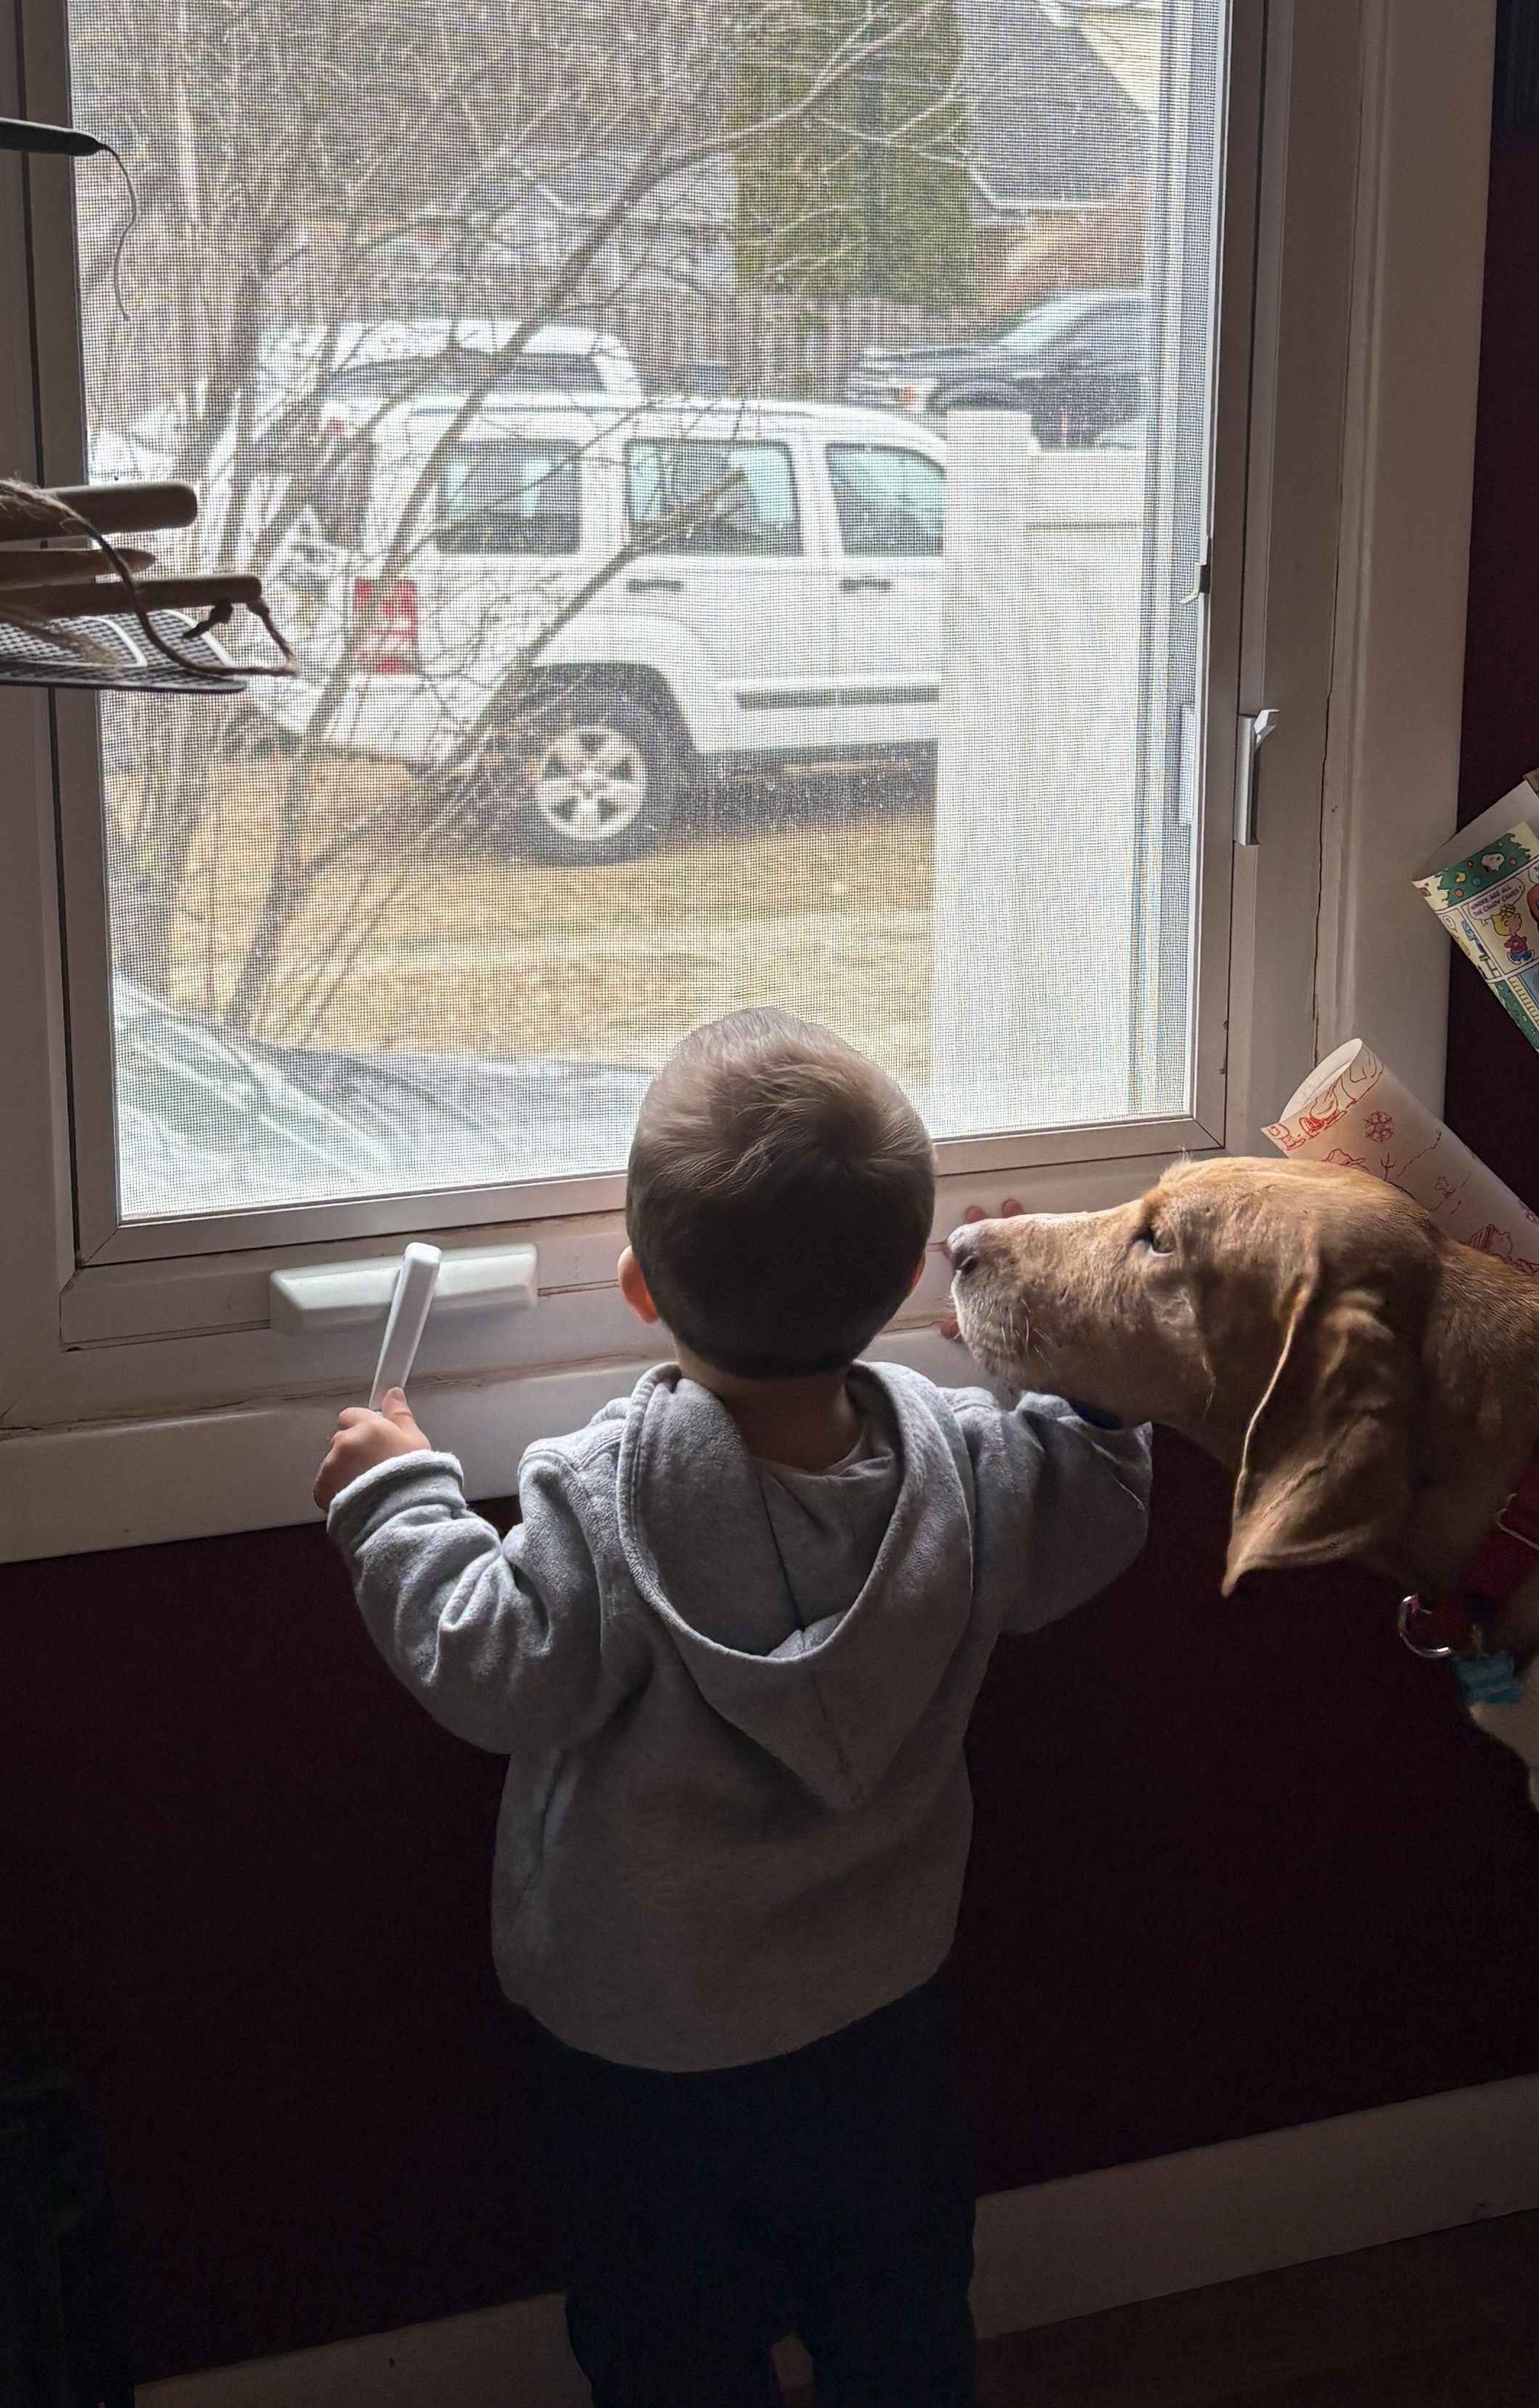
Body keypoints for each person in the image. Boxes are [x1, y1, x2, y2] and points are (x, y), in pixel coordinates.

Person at [313, 1009, 1151, 2408]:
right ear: (894, 1295)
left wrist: (396, 1493)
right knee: (898, 2327)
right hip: (881, 2024)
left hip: (645, 2055)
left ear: (639, 1287)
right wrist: (1041, 1334)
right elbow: (1100, 1501)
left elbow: (492, 1662)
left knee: (667, 2352)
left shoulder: (601, 1499)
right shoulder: (969, 1468)